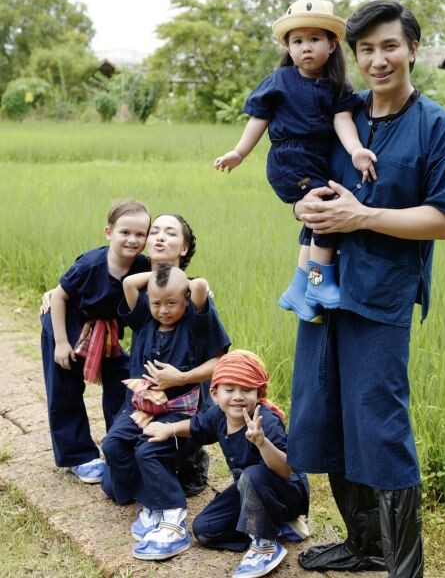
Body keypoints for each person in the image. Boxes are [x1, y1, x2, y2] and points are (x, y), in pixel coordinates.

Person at [287, 0, 445, 577]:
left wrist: (362, 217)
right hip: (323, 289)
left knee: (380, 425)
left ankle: (405, 567)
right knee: (327, 415)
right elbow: (306, 180)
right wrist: (301, 199)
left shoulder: (435, 126)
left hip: (381, 296)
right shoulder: (342, 113)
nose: (378, 59)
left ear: (413, 49)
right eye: (366, 49)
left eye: (390, 46)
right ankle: (363, 543)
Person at [214, 0, 377, 323]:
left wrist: (356, 150)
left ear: (331, 44)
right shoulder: (280, 81)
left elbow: (342, 121)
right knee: (327, 209)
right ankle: (319, 281)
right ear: (288, 47)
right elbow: (258, 119)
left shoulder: (337, 86)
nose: (305, 47)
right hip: (289, 160)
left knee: (316, 217)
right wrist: (239, 152)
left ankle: (298, 287)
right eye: (297, 41)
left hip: (315, 161)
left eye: (314, 39)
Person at [101, 262, 231, 561]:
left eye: (171, 303)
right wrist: (162, 279)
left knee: (148, 450)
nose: (163, 310)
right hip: (142, 406)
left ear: (185, 299)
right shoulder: (146, 318)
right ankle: (147, 501)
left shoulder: (194, 324)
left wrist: (184, 282)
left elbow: (199, 290)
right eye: (156, 302)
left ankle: (172, 512)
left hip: (178, 412)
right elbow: (130, 284)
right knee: (113, 444)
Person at [145, 349, 310, 578]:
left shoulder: (266, 422)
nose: (238, 396)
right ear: (214, 393)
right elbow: (196, 426)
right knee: (205, 530)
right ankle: (278, 524)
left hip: (286, 491)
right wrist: (169, 428)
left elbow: (285, 469)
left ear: (259, 392)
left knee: (252, 474)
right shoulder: (218, 416)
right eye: (229, 389)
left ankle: (265, 545)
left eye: (247, 390)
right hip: (249, 492)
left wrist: (262, 443)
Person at [40, 199, 151, 484]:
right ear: (109, 232)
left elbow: (171, 278)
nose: (133, 239)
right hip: (69, 324)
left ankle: (120, 446)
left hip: (108, 330)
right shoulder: (90, 265)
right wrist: (62, 343)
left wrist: (199, 286)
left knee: (123, 380)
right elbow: (60, 297)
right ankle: (79, 456)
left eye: (141, 234)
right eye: (125, 232)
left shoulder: (143, 266)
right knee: (65, 387)